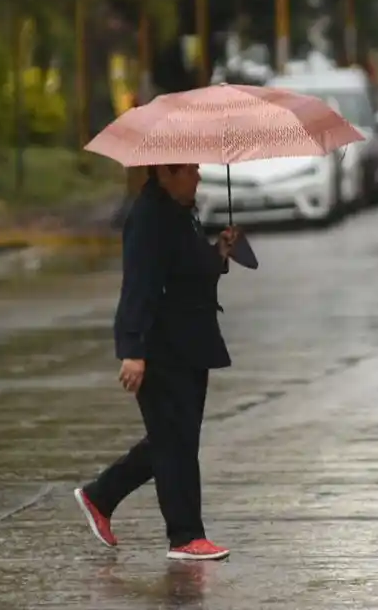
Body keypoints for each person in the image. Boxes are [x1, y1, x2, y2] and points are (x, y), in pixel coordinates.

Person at [73, 163, 237, 561]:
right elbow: (139, 285)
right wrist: (133, 350)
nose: (198, 177)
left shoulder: (182, 211)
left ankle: (101, 495)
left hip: (192, 342)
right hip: (162, 346)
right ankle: (185, 536)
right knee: (173, 441)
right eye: (191, 171)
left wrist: (219, 253)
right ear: (166, 172)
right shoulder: (148, 217)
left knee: (175, 438)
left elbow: (188, 272)